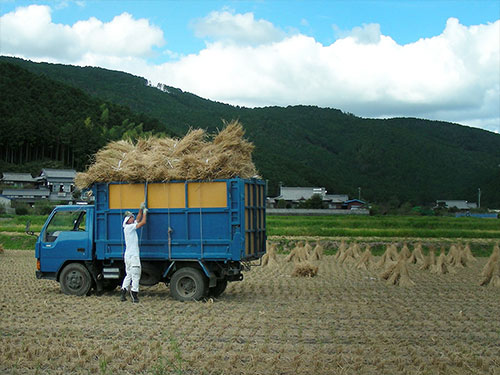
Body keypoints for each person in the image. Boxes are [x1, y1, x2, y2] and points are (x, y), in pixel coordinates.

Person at [120, 203, 147, 303]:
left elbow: (138, 219)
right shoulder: (130, 227)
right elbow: (142, 222)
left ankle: (123, 293)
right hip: (133, 256)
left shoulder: (127, 227)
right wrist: (145, 212)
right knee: (136, 275)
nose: (133, 218)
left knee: (129, 275)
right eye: (132, 217)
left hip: (128, 256)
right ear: (128, 219)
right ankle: (134, 294)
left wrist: (140, 209)